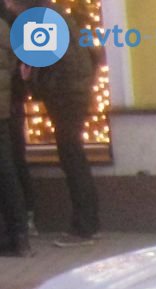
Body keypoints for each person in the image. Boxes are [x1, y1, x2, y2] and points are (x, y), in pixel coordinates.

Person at [38, 0, 104, 246]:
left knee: (72, 158)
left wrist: (39, 84)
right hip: (74, 96)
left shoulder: (46, 21)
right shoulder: (60, 18)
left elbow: (51, 63)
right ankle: (88, 224)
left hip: (66, 98)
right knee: (74, 157)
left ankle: (84, 227)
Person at [0, 7, 31, 253]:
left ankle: (15, 234)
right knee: (8, 169)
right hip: (5, 108)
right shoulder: (8, 26)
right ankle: (19, 233)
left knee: (7, 170)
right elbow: (15, 68)